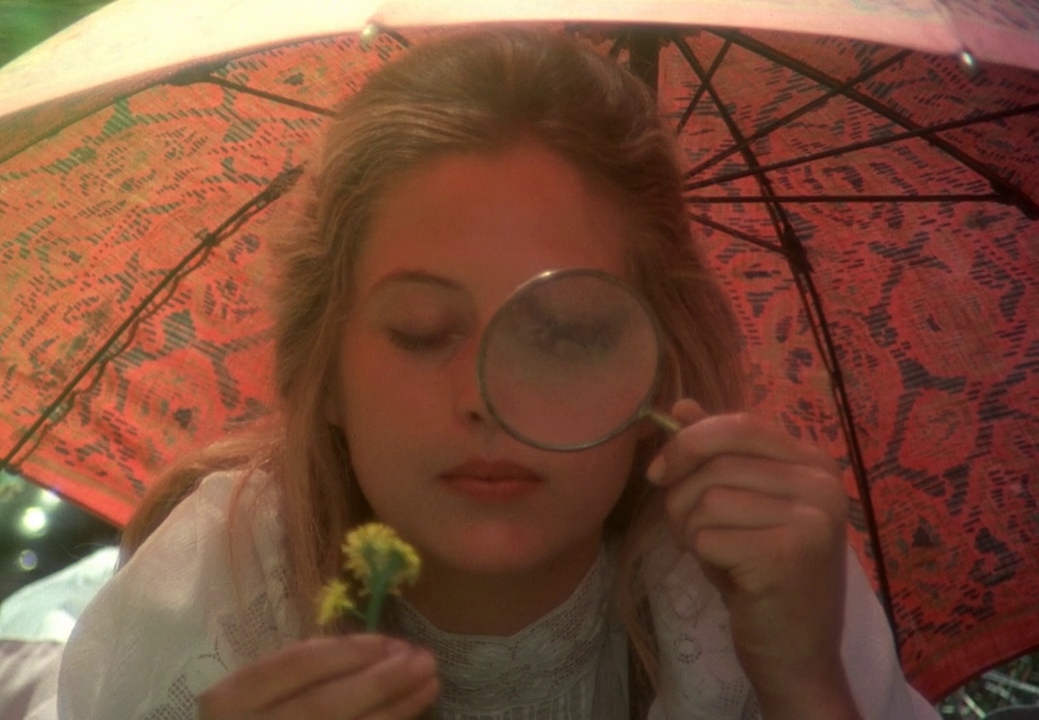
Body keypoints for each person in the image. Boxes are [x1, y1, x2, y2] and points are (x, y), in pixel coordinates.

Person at [55, 30, 940, 720]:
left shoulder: (756, 581)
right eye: (422, 330)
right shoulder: (215, 602)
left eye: (564, 334)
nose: (485, 399)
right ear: (322, 372)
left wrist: (806, 685)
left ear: (656, 376)